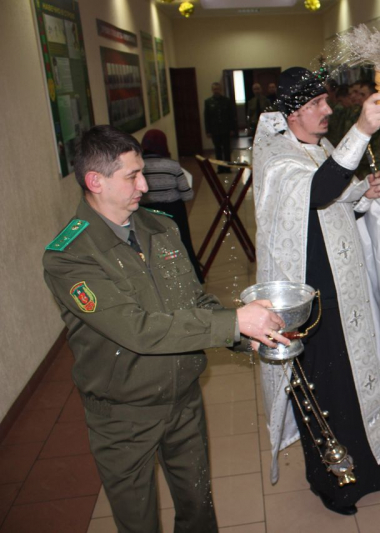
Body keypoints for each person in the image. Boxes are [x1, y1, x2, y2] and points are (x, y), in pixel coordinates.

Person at [42, 125, 289, 533]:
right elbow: (138, 330)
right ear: (94, 181)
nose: (145, 184)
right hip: (123, 414)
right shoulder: (70, 257)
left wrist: (248, 331)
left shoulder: (160, 228)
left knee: (198, 508)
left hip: (184, 400)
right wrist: (233, 322)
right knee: (138, 521)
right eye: (132, 176)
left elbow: (195, 303)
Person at [252, 67, 380, 516]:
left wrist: (362, 192)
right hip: (310, 293)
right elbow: (317, 191)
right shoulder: (275, 154)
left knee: (357, 380)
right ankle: (333, 480)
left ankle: (373, 468)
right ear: (292, 113)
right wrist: (361, 130)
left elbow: (333, 195)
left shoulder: (317, 144)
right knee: (325, 387)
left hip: (343, 283)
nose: (327, 111)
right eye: (317, 105)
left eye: (327, 101)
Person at [139, 128, 205, 283]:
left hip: (146, 213)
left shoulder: (139, 167)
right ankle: (193, 277)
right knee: (182, 243)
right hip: (173, 212)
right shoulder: (172, 166)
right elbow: (187, 195)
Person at [204, 82, 237, 173]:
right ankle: (220, 168)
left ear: (221, 90)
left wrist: (232, 129)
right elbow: (207, 118)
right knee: (217, 150)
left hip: (225, 130)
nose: (216, 91)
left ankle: (227, 167)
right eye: (214, 89)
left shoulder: (226, 101)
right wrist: (208, 131)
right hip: (215, 130)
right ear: (212, 90)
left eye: (218, 89)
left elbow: (231, 116)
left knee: (227, 150)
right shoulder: (208, 102)